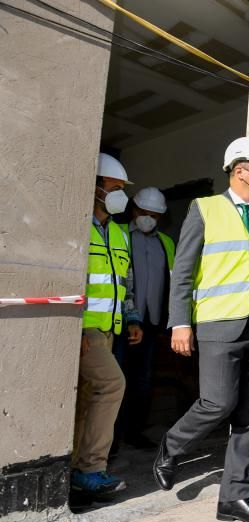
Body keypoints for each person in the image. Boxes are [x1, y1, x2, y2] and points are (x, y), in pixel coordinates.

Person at [153, 137, 249, 522]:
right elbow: (182, 272)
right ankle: (172, 445)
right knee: (216, 403)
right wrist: (180, 322)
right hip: (219, 323)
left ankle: (234, 498)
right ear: (240, 169)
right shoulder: (205, 209)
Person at [72, 153, 143, 497]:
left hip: (110, 330)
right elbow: (68, 281)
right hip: (86, 331)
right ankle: (92, 468)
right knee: (113, 386)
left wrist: (131, 318)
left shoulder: (119, 233)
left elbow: (124, 281)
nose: (120, 195)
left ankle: (75, 469)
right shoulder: (76, 226)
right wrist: (76, 328)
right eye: (114, 188)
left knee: (88, 398)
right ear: (95, 187)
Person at [116, 187, 175, 449]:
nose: (147, 218)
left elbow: (173, 280)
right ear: (133, 209)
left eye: (154, 214)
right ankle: (112, 438)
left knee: (144, 379)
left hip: (152, 324)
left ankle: (134, 432)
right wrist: (130, 318)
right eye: (143, 212)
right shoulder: (119, 235)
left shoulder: (166, 242)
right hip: (121, 321)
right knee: (116, 380)